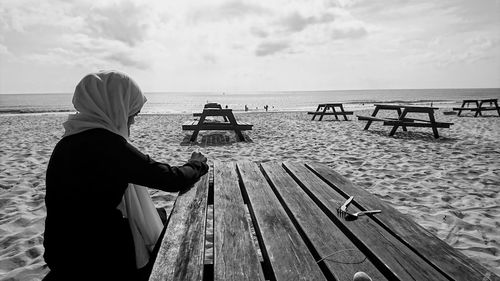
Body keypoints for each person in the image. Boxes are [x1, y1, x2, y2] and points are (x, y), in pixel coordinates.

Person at [42, 71, 208, 281]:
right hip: (95, 259)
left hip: (60, 251)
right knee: (162, 229)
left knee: (158, 215)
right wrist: (196, 164)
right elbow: (170, 179)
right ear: (115, 107)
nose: (132, 122)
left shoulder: (66, 142)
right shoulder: (107, 145)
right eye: (132, 114)